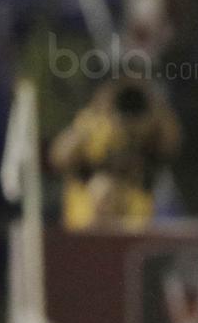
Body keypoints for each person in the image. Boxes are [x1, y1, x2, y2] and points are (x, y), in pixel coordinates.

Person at [50, 80, 181, 231]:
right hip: (85, 228)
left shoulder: (146, 142)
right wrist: (94, 117)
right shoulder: (92, 136)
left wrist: (154, 106)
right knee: (102, 185)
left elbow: (171, 144)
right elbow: (58, 157)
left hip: (133, 227)